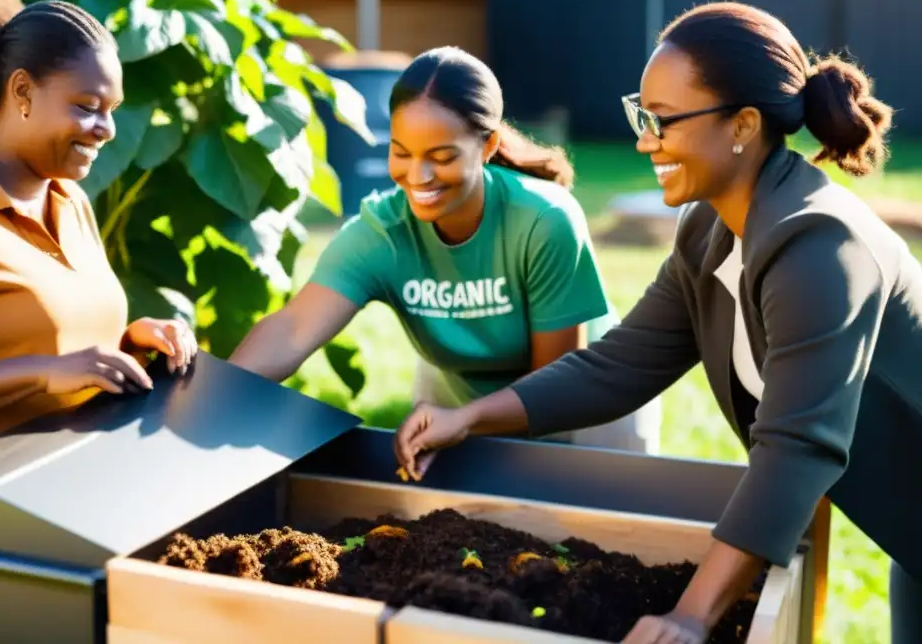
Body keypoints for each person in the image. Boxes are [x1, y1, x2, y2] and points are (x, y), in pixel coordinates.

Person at [392, 3, 922, 644]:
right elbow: (619, 366)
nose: (645, 140)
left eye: (664, 122)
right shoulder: (710, 230)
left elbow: (796, 450)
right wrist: (469, 416)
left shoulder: (819, 247)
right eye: (642, 117)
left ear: (743, 125)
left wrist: (689, 615)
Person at [229, 46, 660, 455]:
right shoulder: (382, 233)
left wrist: (466, 421)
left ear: (487, 146)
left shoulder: (544, 219)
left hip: (587, 411)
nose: (419, 175)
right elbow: (292, 329)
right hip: (457, 405)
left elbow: (554, 388)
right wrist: (214, 398)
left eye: (441, 156)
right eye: (402, 153)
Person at [0, 0, 199, 472]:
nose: (106, 129)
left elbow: (37, 340)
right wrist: (46, 372)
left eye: (111, 111)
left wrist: (128, 343)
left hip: (64, 490)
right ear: (22, 91)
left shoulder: (70, 201)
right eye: (86, 106)